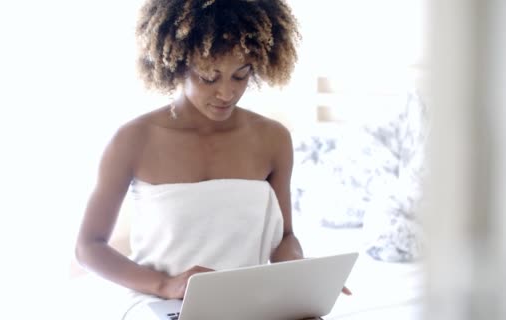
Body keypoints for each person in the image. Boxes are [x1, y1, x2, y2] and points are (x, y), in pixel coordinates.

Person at [75, 0, 349, 318]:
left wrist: (302, 276)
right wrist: (167, 285)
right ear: (178, 63)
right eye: (209, 77)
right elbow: (89, 247)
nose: (226, 93)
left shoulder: (272, 138)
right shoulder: (133, 139)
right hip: (163, 302)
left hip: (249, 302)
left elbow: (284, 238)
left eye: (240, 75)